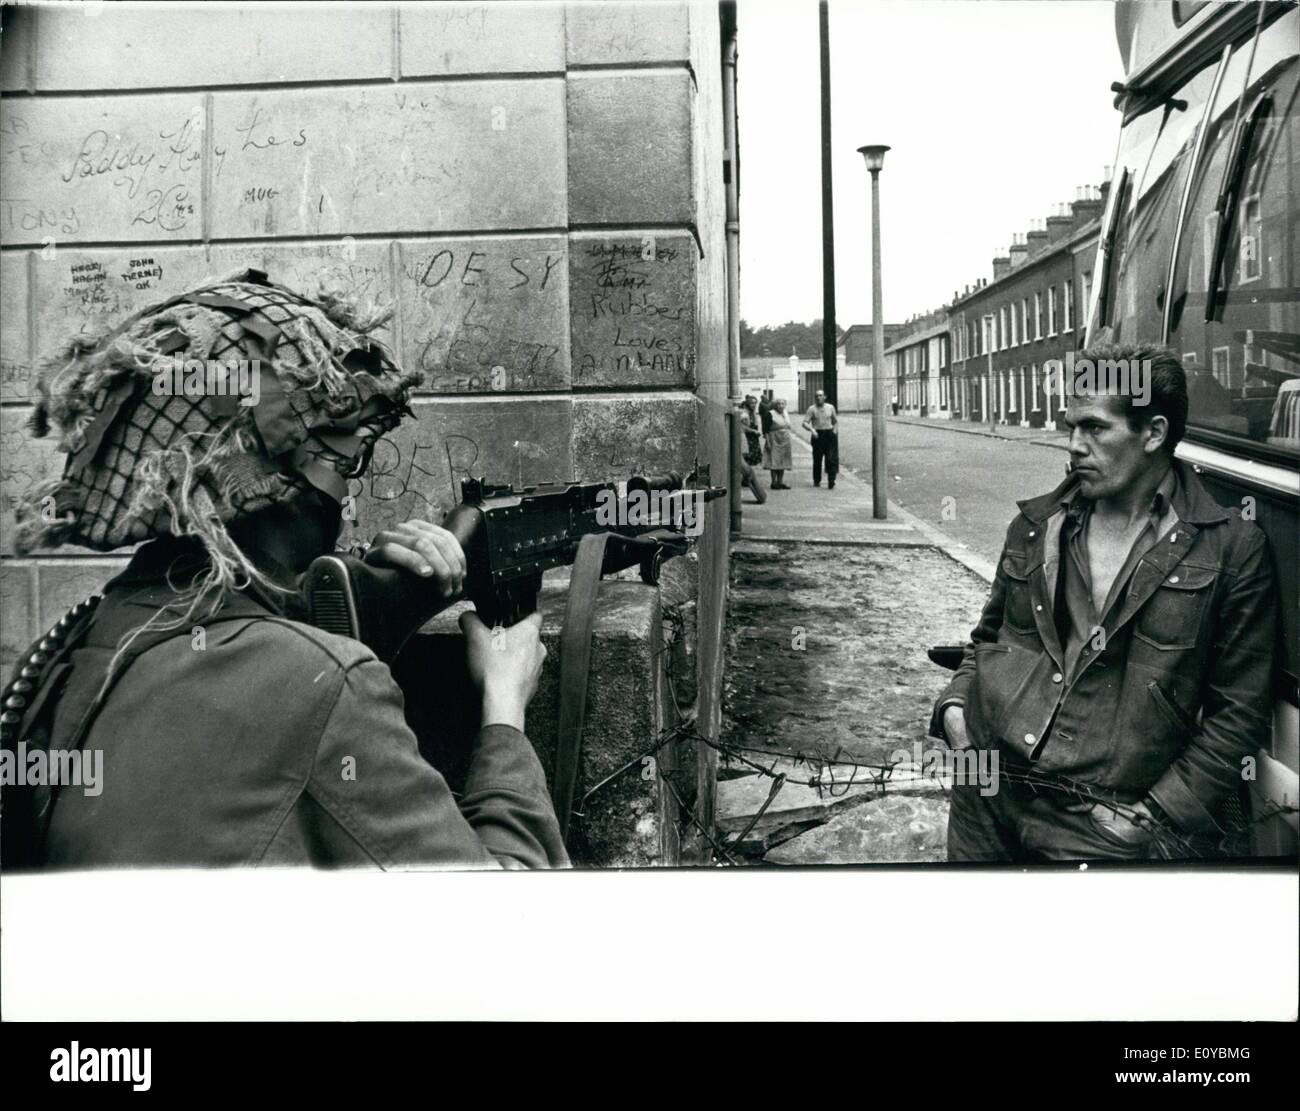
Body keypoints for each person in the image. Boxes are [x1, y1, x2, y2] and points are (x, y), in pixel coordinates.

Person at [1, 270, 567, 870]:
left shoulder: (72, 650)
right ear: (288, 488)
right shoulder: (327, 683)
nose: (346, 505)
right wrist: (505, 707)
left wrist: (357, 590)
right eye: (346, 466)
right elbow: (504, 909)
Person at [932, 344, 1276, 862]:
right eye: (1071, 427)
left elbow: (1239, 712)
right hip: (985, 797)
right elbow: (989, 638)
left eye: (1094, 428)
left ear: (1153, 433)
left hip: (1099, 825)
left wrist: (1152, 815)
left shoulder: (1230, 550)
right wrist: (956, 712)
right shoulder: (1035, 525)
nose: (1074, 445)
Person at [802, 388, 838, 488]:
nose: (818, 397)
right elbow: (804, 423)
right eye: (817, 396)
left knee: (830, 459)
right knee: (817, 459)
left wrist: (834, 431)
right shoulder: (811, 409)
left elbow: (835, 421)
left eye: (820, 395)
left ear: (824, 397)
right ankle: (817, 480)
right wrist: (812, 430)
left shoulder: (830, 407)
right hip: (817, 435)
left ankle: (831, 480)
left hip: (829, 435)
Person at [764, 398, 794, 489]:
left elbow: (788, 426)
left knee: (783, 461)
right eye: (778, 404)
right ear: (775, 405)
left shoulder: (785, 413)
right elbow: (765, 429)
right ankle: (773, 482)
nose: (780, 406)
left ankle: (780, 482)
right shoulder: (770, 414)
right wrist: (768, 442)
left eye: (782, 404)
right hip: (774, 439)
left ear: (785, 405)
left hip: (785, 439)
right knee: (774, 461)